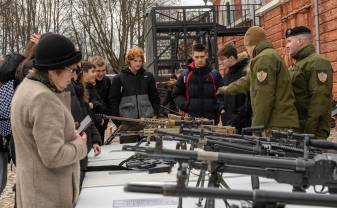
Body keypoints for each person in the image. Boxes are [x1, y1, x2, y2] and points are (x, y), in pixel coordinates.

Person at [11, 33, 87, 208]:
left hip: (35, 191)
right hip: (48, 196)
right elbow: (53, 156)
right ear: (54, 70)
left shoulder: (27, 87)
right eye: (71, 70)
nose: (74, 77)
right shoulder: (42, 98)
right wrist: (80, 145)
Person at [217, 26, 299, 133]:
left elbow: (263, 98)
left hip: (275, 124)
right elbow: (247, 81)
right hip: (278, 121)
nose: (247, 52)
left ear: (252, 45)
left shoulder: (263, 59)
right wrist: (227, 89)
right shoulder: (268, 55)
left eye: (247, 47)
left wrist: (256, 129)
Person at [285, 26, 333, 139]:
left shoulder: (318, 63)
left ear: (300, 41)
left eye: (289, 41)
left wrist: (309, 133)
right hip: (298, 130)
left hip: (310, 133)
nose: (287, 45)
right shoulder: (298, 64)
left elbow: (319, 100)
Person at [108, 47, 160, 143]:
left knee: (150, 151)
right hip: (127, 124)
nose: (138, 63)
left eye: (140, 61)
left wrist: (155, 115)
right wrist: (119, 123)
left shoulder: (148, 77)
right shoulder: (119, 78)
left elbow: (155, 98)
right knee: (128, 153)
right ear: (129, 61)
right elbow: (113, 102)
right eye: (135, 60)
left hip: (147, 121)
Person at [67, 61, 102, 187]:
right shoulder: (68, 89)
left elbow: (87, 119)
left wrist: (95, 140)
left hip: (83, 148)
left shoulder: (78, 90)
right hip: (75, 151)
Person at [172, 44, 223, 122]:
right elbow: (176, 93)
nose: (199, 60)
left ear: (206, 55)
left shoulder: (214, 74)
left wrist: (217, 107)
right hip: (190, 120)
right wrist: (185, 106)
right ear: (192, 56)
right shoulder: (185, 74)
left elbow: (222, 93)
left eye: (202, 57)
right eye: (197, 57)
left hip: (211, 119)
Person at [217, 43, 251, 132]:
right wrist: (222, 109)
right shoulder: (227, 74)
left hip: (243, 125)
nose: (221, 62)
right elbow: (220, 93)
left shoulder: (245, 72)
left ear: (231, 58)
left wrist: (238, 117)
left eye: (223, 59)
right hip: (228, 124)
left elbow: (250, 99)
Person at [89, 56, 111, 141]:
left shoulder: (107, 81)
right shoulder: (87, 82)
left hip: (103, 118)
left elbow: (109, 100)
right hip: (91, 119)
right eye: (98, 71)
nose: (101, 74)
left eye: (103, 70)